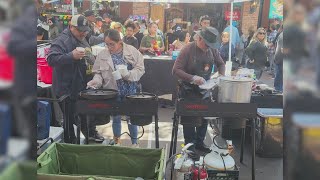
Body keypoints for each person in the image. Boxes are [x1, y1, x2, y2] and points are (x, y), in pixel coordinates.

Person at [47, 14, 104, 143]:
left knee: (86, 112)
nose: (83, 33)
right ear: (71, 27)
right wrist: (70, 56)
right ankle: (71, 142)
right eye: (80, 30)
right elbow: (51, 59)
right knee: (69, 119)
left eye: (85, 30)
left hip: (82, 84)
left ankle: (90, 133)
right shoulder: (61, 40)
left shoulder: (83, 37)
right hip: (66, 88)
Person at [87, 29, 145, 147]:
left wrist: (128, 74)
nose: (109, 47)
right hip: (113, 92)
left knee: (131, 118)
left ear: (120, 41)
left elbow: (140, 69)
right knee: (116, 117)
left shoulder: (132, 51)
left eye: (111, 44)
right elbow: (98, 73)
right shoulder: (102, 54)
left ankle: (135, 142)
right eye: (106, 44)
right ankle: (117, 140)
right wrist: (95, 82)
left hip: (130, 92)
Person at [172, 27, 226, 153]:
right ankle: (190, 147)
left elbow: (221, 64)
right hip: (188, 89)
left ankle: (200, 143)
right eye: (206, 44)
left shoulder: (212, 50)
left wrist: (221, 76)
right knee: (190, 120)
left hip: (205, 89)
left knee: (204, 118)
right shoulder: (188, 49)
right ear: (199, 38)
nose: (208, 47)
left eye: (210, 45)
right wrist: (192, 78)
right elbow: (175, 70)